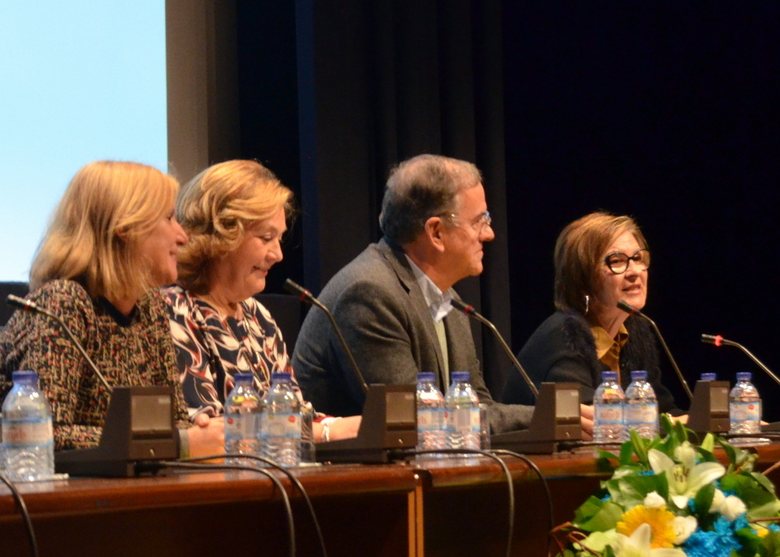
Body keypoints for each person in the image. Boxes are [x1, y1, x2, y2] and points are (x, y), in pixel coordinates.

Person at [0, 160, 224, 456]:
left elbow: (172, 421)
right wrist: (178, 442)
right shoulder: (63, 302)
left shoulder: (151, 307)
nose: (182, 236)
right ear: (125, 228)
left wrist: (198, 432)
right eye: (169, 218)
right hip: (6, 481)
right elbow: (42, 434)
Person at [291, 153, 537, 434]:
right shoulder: (369, 294)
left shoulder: (448, 300)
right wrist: (546, 416)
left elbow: (478, 409)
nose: (489, 234)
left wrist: (552, 417)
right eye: (479, 221)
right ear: (436, 232)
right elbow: (416, 419)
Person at [164, 160, 361, 443]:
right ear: (220, 236)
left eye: (279, 238)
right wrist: (328, 432)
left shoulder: (258, 316)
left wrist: (350, 426)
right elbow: (213, 432)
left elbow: (294, 413)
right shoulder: (174, 312)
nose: (278, 255)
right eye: (266, 238)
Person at [508, 212, 678, 410]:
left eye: (638, 258)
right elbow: (592, 420)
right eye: (617, 261)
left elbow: (662, 410)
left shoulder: (635, 334)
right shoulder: (564, 339)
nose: (634, 272)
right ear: (582, 278)